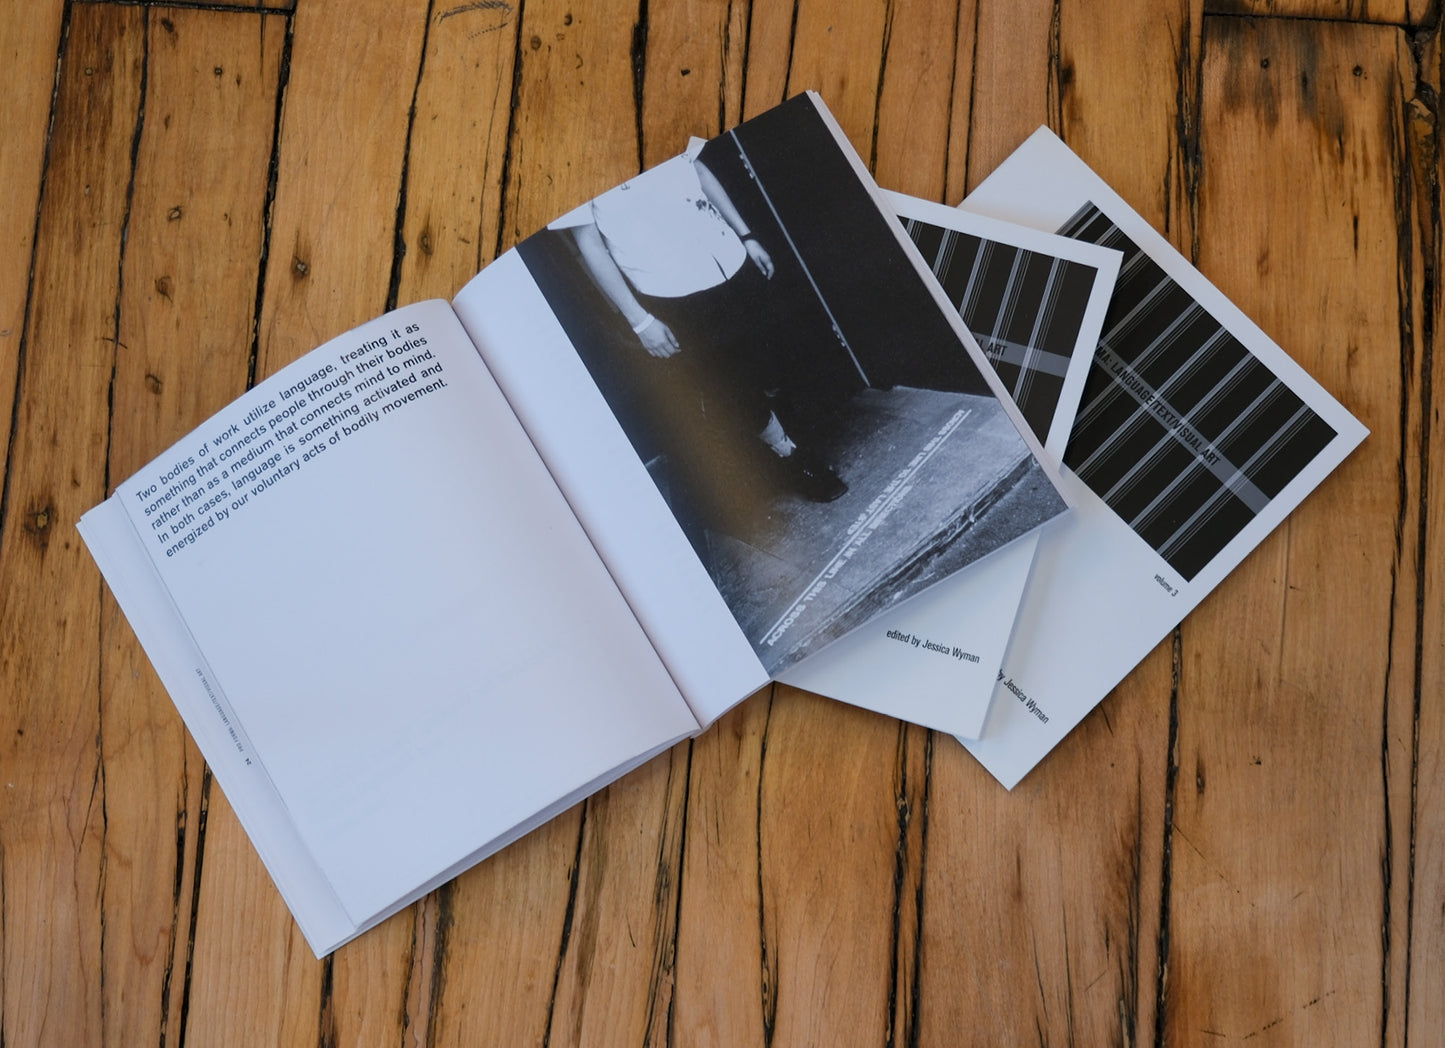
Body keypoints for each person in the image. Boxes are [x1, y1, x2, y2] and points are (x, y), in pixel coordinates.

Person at [554, 145, 848, 512]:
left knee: (763, 361)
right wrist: (639, 320)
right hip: (673, 292)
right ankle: (788, 456)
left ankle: (776, 433)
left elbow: (700, 170)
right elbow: (589, 244)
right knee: (730, 383)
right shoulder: (563, 161)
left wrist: (746, 235)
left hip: (730, 261)